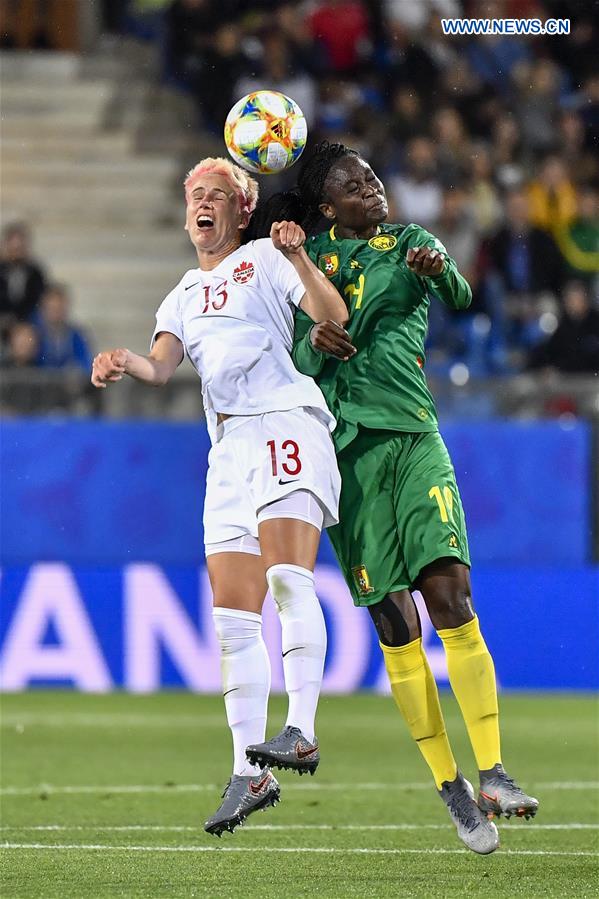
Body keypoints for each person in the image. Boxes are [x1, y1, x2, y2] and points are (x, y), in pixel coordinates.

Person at [247, 141, 538, 855]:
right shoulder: (309, 260)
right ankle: (451, 786)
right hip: (346, 457)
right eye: (354, 184)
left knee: (453, 599)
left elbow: (461, 296)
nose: (372, 189)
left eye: (373, 178)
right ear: (326, 205)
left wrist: (439, 270)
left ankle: (494, 771)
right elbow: (299, 358)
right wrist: (318, 336)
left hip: (413, 440)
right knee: (395, 623)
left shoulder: (410, 241)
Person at [91, 157, 348, 836]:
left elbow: (332, 313)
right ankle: (247, 771)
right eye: (192, 196)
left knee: (289, 578)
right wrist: (126, 361)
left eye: (215, 196)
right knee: (233, 620)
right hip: (228, 449)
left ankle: (301, 728)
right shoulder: (178, 293)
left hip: (283, 422)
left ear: (240, 210)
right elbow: (163, 366)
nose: (200, 204)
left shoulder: (266, 256)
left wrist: (300, 260)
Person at [35, 284, 93, 372]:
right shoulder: (34, 334)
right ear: (44, 308)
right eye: (52, 309)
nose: (56, 314)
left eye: (59, 309)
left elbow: (85, 364)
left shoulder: (76, 335)